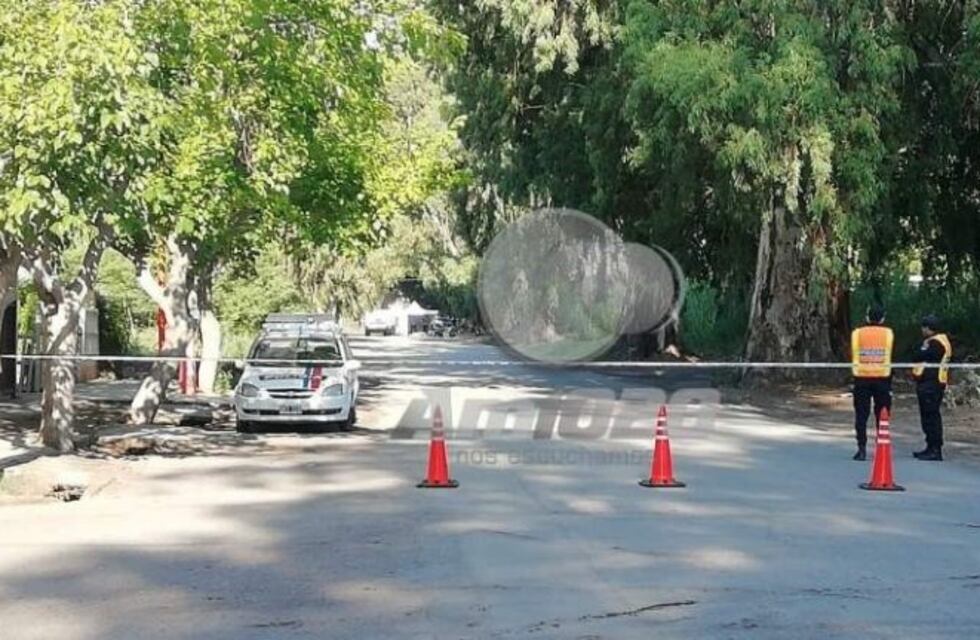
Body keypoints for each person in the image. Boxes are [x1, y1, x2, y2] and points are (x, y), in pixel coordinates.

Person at [850, 304, 893, 461]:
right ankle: (881, 449)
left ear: (867, 317)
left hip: (861, 378)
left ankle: (861, 449)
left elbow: (854, 353)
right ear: (883, 318)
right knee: (882, 415)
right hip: (882, 379)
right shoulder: (888, 333)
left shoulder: (857, 333)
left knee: (861, 415)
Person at [911, 315, 952, 461]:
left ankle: (935, 449)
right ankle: (930, 447)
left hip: (931, 384)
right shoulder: (938, 340)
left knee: (931, 417)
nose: (922, 330)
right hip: (929, 383)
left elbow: (920, 356)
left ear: (929, 328)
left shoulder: (935, 343)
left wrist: (919, 352)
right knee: (928, 416)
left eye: (924, 327)